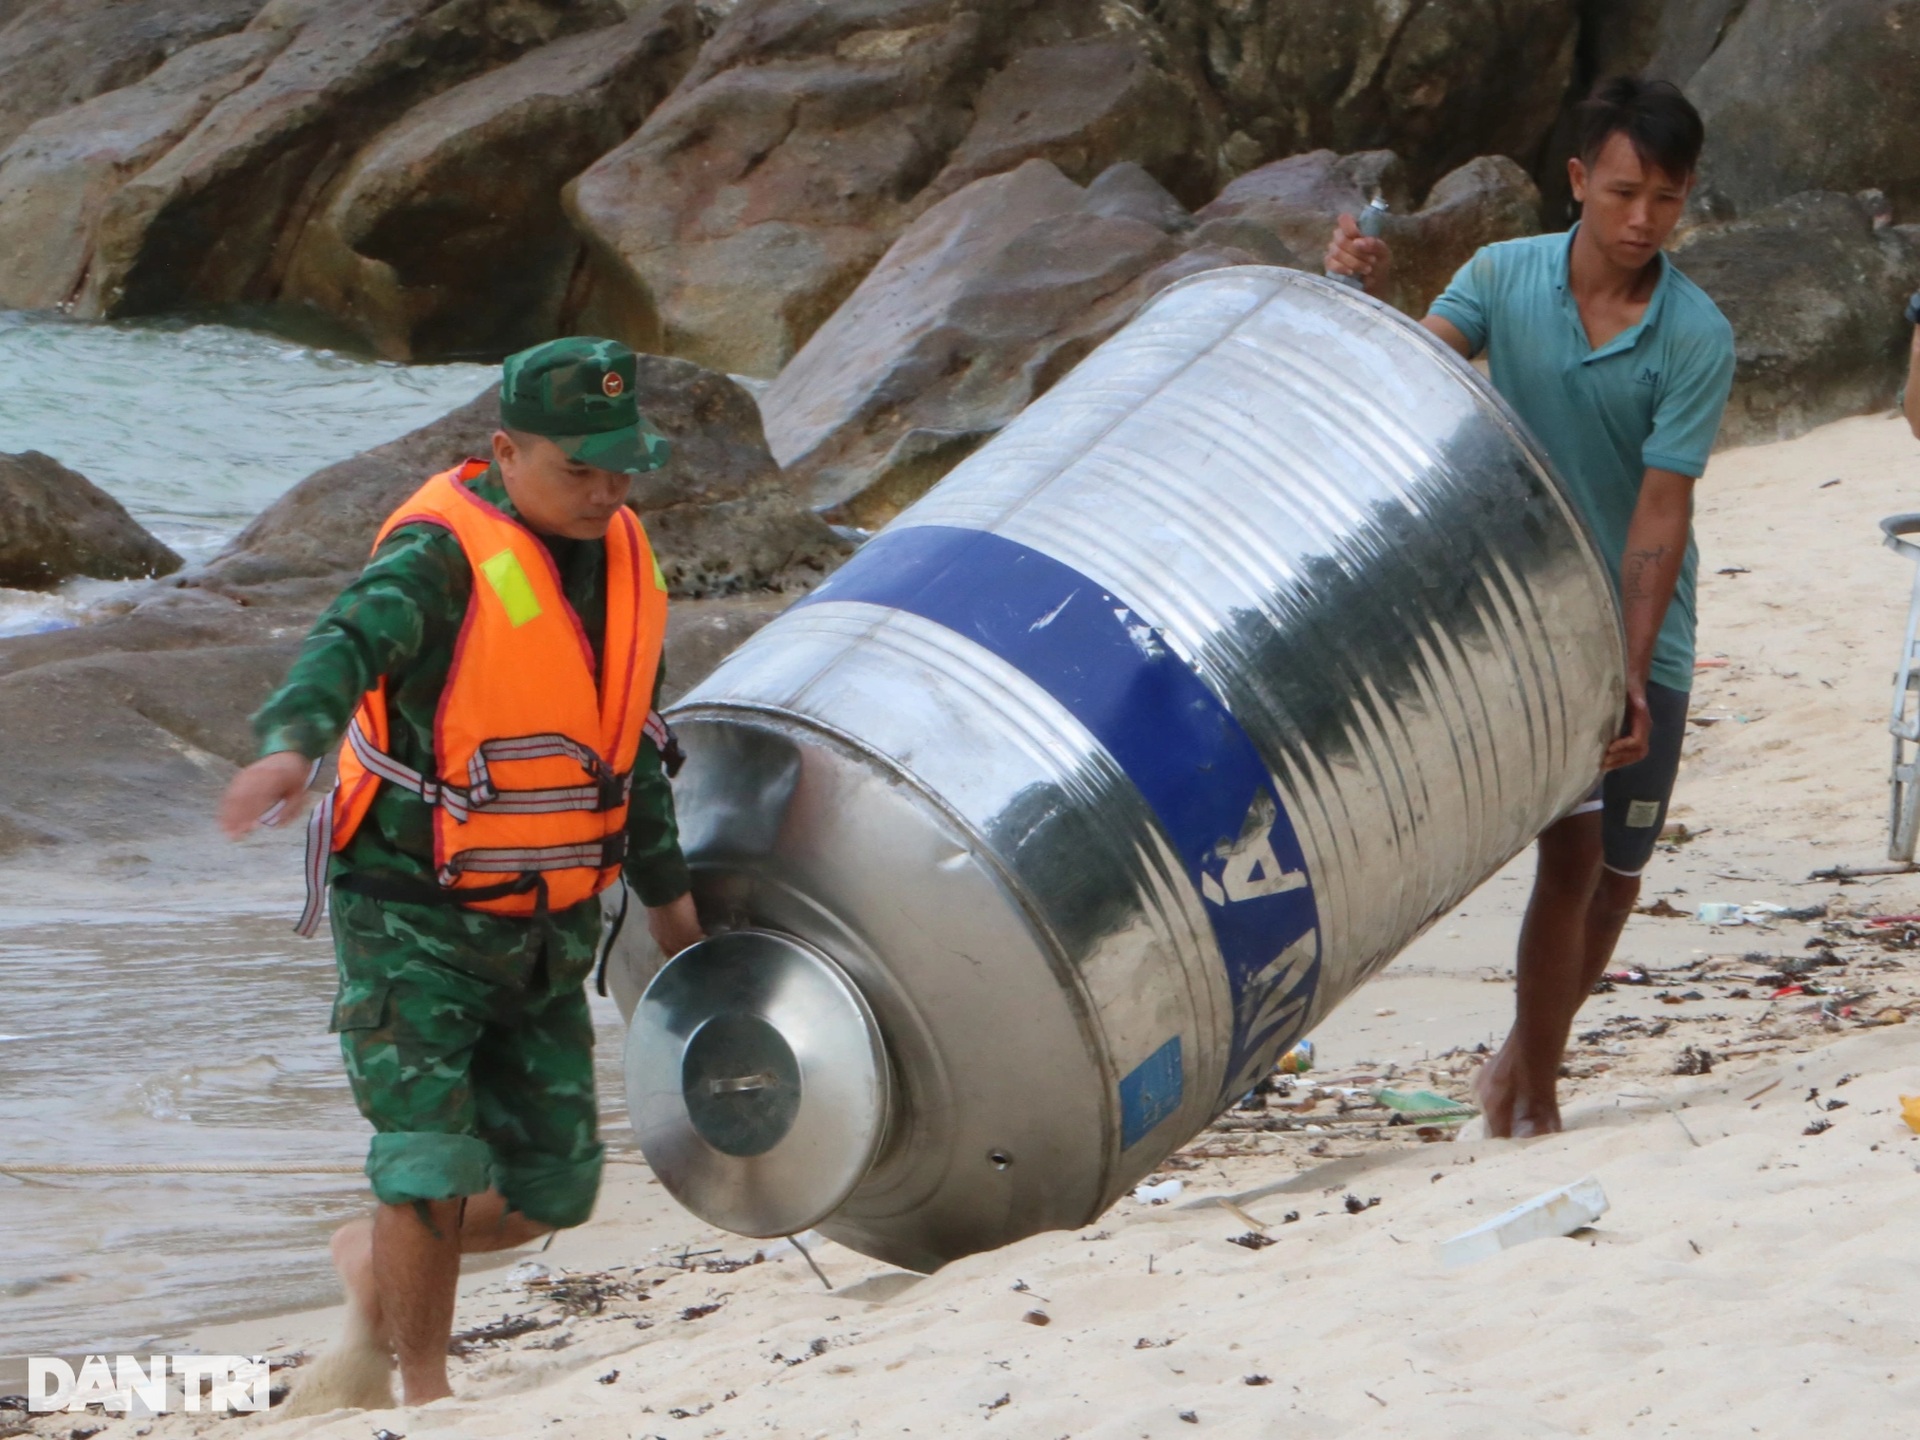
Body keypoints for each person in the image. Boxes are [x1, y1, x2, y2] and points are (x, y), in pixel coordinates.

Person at [218, 337, 704, 1408]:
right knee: (429, 1164)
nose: (605, 491)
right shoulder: (438, 557)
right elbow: (343, 643)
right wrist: (289, 744)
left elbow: (628, 751)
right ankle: (423, 1395)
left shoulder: (623, 562)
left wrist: (675, 913)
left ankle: (371, 1256)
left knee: (554, 1190)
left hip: (546, 926)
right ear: (504, 450)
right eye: (577, 468)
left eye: (620, 467)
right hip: (409, 908)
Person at [1326, 77, 1736, 1137]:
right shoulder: (1504, 276)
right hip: (1528, 617)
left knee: (1619, 878)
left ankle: (1516, 1062)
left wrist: (1634, 676)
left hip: (1650, 628)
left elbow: (1660, 513)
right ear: (1576, 182)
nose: (1642, 220)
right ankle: (1539, 1105)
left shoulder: (1695, 335)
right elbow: (1410, 379)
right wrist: (1360, 296)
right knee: (1572, 856)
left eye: (1665, 200)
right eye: (1622, 193)